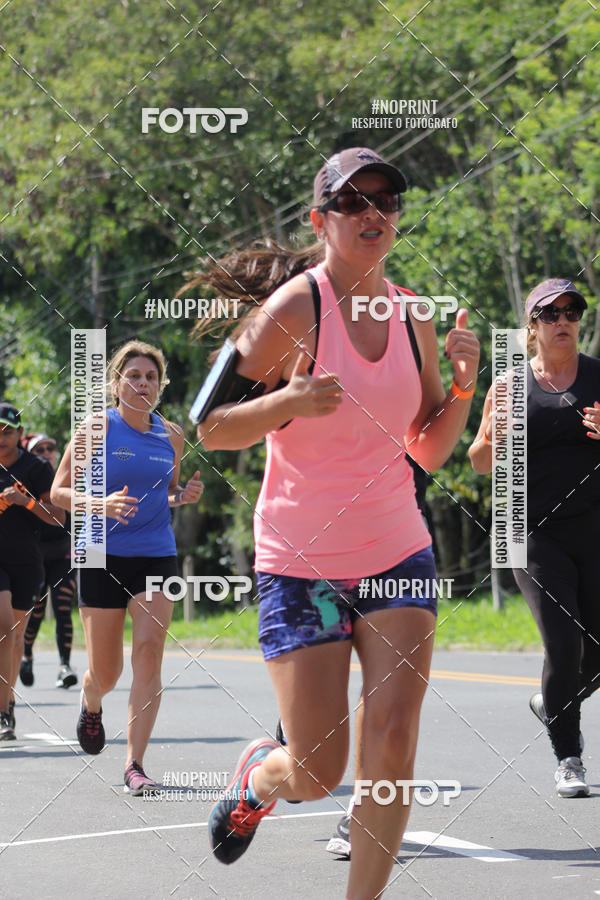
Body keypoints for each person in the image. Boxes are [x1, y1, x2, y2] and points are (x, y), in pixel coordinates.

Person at [194, 147, 480, 898]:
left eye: (385, 199)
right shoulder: (295, 309)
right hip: (301, 560)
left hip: (396, 551)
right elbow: (210, 425)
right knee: (320, 771)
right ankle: (263, 776)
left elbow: (425, 447)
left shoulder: (413, 314)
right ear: (321, 221)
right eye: (353, 202)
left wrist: (462, 388)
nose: (373, 213)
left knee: (392, 739)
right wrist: (285, 403)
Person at [51, 340, 204, 793]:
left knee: (150, 653)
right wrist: (98, 504)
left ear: (160, 386)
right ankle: (91, 700)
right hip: (98, 552)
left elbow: (168, 492)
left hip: (156, 552)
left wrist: (183, 497)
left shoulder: (172, 434)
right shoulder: (97, 427)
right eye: (133, 376)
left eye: (151, 377)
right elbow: (59, 493)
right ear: (116, 383)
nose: (142, 383)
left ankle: (134, 764)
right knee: (108, 671)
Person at [469, 278, 600, 798]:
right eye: (551, 314)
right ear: (533, 326)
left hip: (593, 527)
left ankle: (552, 703)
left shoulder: (598, 378)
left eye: (572, 311)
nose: (563, 320)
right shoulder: (508, 386)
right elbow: (479, 462)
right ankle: (569, 755)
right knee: (563, 644)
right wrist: (495, 435)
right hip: (528, 532)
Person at [0, 403, 66, 740]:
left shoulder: (37, 467)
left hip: (26, 560)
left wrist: (26, 502)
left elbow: (58, 517)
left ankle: (7, 701)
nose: (1, 437)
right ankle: (1, 711)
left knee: (13, 640)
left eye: (7, 431)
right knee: (3, 628)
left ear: (18, 434)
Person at [19, 433, 77, 690]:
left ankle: (64, 666)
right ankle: (27, 655)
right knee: (37, 610)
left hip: (64, 553)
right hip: (36, 555)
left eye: (50, 447)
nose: (46, 451)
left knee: (63, 606)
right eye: (39, 448)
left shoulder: (67, 477)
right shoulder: (27, 477)